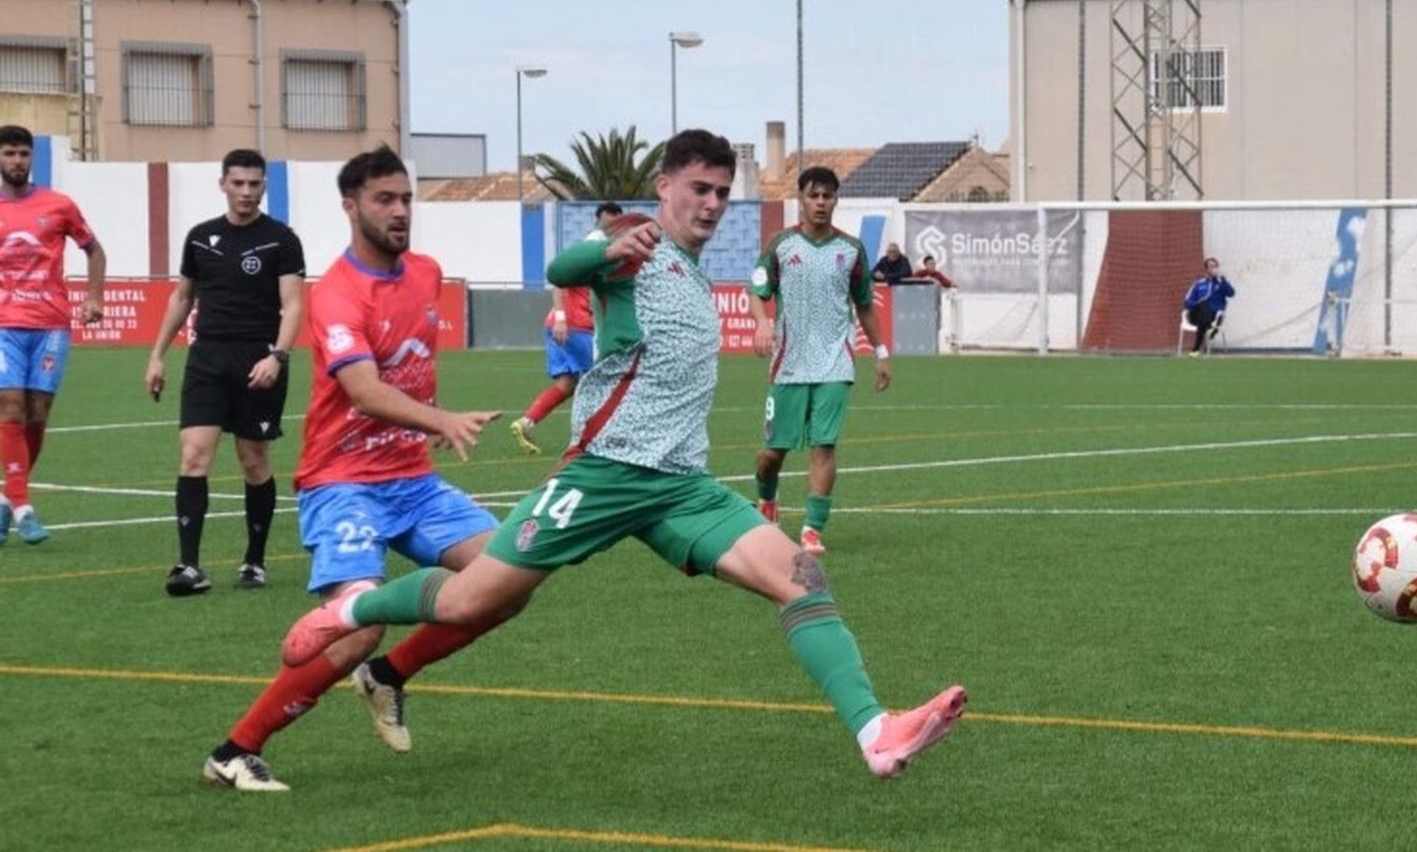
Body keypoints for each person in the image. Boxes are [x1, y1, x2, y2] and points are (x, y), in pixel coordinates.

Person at [279, 130, 964, 785]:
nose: (712, 203)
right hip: (604, 472)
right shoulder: (632, 246)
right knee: (466, 601)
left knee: (802, 577)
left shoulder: (695, 272)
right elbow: (562, 269)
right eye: (699, 187)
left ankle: (875, 733)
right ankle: (350, 614)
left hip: (681, 488)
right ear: (665, 187)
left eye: (723, 192)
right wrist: (610, 250)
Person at [202, 146, 524, 792]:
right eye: (385, 199)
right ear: (350, 207)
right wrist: (443, 421)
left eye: (406, 198)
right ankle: (234, 751)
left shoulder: (427, 273)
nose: (401, 211)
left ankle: (389, 676)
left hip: (414, 482)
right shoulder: (338, 294)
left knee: (507, 580)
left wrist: (428, 431)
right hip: (341, 482)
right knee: (356, 629)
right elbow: (363, 390)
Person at [146, 149, 306, 595]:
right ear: (223, 184)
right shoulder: (201, 237)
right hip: (207, 358)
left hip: (258, 358)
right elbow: (182, 298)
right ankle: (188, 566)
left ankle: (254, 561)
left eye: (254, 184)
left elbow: (293, 305)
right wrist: (157, 355)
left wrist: (277, 356)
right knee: (194, 454)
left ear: (263, 187)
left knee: (253, 459)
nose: (246, 192)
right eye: (238, 183)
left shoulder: (281, 239)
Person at [749, 165, 891, 556]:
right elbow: (758, 290)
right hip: (788, 364)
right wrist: (762, 323)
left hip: (835, 363)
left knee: (824, 446)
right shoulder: (781, 245)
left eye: (828, 196)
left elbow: (864, 305)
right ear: (801, 199)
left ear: (836, 200)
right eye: (814, 196)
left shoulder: (851, 250)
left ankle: (812, 529)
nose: (821, 203)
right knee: (770, 454)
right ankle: (767, 501)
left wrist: (880, 353)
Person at [0, 124, 106, 544]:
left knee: (36, 414)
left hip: (51, 323)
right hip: (4, 323)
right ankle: (24, 507)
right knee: (9, 407)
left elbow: (94, 249)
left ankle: (7, 500)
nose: (17, 161)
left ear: (33, 158)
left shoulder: (59, 205)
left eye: (24, 154)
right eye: (9, 153)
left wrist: (94, 297)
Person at [509, 201, 620, 454]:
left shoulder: (597, 254)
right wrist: (561, 317)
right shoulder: (589, 253)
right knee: (605, 378)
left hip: (559, 326)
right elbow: (558, 282)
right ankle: (592, 439)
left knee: (566, 385)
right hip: (573, 326)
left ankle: (526, 422)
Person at [1182, 256, 1235, 355]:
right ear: (1206, 269)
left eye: (1215, 266)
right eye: (1211, 266)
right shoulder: (1198, 284)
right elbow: (1186, 302)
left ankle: (1196, 350)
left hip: (1213, 316)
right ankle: (1212, 327)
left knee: (1203, 320)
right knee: (1203, 304)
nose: (1213, 268)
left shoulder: (1221, 283)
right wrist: (1198, 303)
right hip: (1195, 315)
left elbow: (1231, 293)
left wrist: (1222, 279)